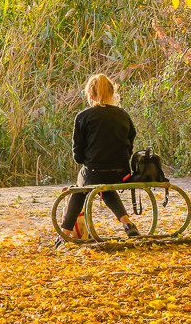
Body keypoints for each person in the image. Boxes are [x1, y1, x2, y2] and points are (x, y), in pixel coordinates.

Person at [58, 73, 142, 243]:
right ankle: (127, 223)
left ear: (90, 94)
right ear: (111, 94)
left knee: (80, 186)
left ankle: (64, 232)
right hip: (121, 173)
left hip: (95, 171)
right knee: (103, 184)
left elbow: (77, 155)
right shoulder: (123, 115)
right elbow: (130, 144)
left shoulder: (83, 116)